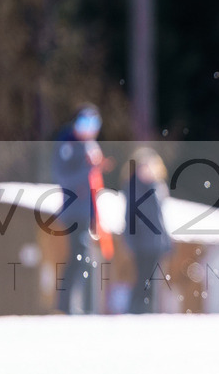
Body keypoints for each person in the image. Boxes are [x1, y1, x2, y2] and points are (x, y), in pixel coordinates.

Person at [51, 104, 111, 314]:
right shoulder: (67, 142)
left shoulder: (89, 145)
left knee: (83, 259)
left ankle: (75, 306)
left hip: (87, 211)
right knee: (78, 257)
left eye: (94, 124)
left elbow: (92, 182)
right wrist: (90, 167)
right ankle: (66, 306)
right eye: (85, 123)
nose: (89, 129)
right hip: (73, 211)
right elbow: (64, 178)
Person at [123, 148, 172, 313]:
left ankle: (147, 311)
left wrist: (166, 241)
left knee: (152, 280)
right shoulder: (133, 187)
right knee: (142, 279)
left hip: (155, 241)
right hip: (140, 241)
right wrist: (130, 239)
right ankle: (135, 311)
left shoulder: (157, 186)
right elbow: (129, 216)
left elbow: (160, 218)